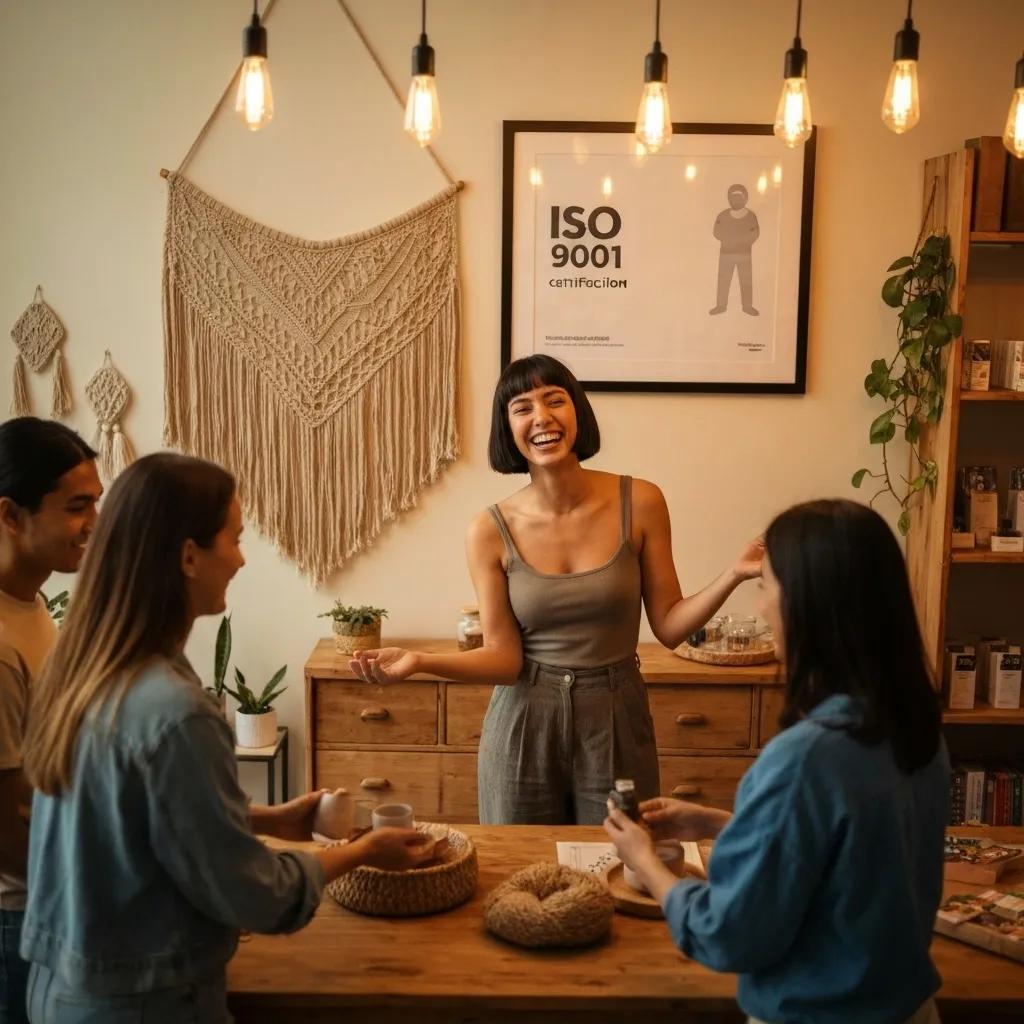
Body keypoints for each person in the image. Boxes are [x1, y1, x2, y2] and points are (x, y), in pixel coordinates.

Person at [20, 453, 433, 1023]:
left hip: (57, 992)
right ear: (189, 556)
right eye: (234, 539)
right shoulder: (176, 712)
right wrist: (362, 853)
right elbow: (256, 896)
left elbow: (133, 822)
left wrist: (264, 820)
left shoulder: (82, 671)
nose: (241, 560)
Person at [350, 354, 762, 824]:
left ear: (577, 412)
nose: (541, 417)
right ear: (507, 428)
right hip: (524, 720)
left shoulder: (641, 501)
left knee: (620, 867)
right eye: (522, 407)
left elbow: (669, 626)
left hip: (616, 716)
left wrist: (733, 573)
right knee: (521, 877)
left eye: (554, 401)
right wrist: (419, 662)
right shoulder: (488, 529)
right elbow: (504, 659)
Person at [604, 499, 948, 1024]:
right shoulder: (915, 724)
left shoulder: (806, 756)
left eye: (767, 586)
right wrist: (719, 822)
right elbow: (850, 853)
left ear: (808, 605)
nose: (763, 607)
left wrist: (644, 861)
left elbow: (729, 935)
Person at [0, 418, 101, 1024]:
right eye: (77, 507)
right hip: (21, 917)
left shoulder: (32, 603)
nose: (93, 524)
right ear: (11, 514)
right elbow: (8, 829)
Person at [709, 183, 760, 316]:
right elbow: (716, 232)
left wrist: (741, 242)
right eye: (733, 197)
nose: (736, 200)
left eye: (739, 197)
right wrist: (731, 241)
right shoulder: (723, 216)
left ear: (746, 198)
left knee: (746, 281)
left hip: (745, 255)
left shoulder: (751, 216)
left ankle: (747, 307)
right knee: (723, 280)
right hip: (726, 254)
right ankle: (721, 306)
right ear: (729, 199)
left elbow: (754, 233)